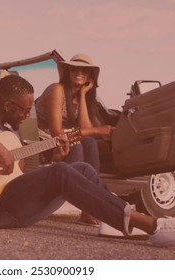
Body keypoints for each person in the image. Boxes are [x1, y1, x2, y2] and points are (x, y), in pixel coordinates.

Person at [0, 74, 175, 247]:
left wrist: (56, 158)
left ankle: (112, 222)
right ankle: (151, 225)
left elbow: (16, 181)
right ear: (7, 105)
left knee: (81, 169)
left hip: (9, 204)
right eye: (25, 109)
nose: (27, 115)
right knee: (62, 172)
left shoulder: (11, 133)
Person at [35, 53, 112, 226]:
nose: (79, 72)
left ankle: (87, 210)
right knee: (76, 144)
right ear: (67, 72)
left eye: (84, 70)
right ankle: (83, 201)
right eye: (74, 68)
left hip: (65, 138)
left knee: (89, 142)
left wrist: (84, 94)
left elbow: (86, 129)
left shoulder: (83, 96)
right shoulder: (57, 89)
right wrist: (99, 129)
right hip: (41, 140)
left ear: (90, 76)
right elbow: (56, 131)